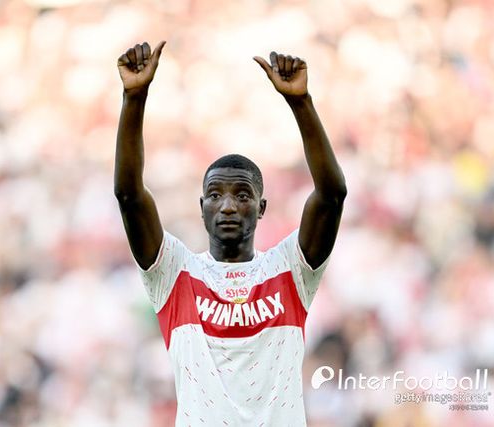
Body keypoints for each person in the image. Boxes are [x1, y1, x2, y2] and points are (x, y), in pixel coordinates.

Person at [114, 40, 346, 426]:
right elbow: (129, 195)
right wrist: (134, 98)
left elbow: (332, 195)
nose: (227, 206)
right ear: (201, 206)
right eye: (215, 195)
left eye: (242, 195)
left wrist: (301, 102)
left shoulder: (291, 268)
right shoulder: (174, 272)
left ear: (262, 207)